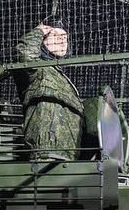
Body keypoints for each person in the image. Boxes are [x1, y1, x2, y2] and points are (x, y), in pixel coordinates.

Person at [16, 18, 83, 160]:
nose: (62, 40)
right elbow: (26, 54)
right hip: (46, 154)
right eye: (55, 36)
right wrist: (39, 31)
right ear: (42, 41)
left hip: (68, 156)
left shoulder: (62, 78)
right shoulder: (38, 70)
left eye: (64, 37)